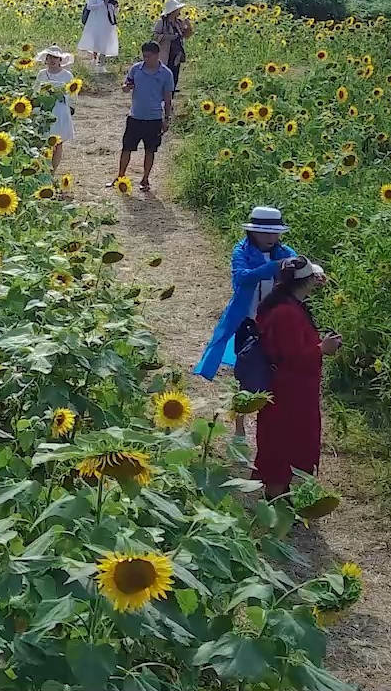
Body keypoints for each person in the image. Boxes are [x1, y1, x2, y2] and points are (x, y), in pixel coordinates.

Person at [193, 206, 304, 435]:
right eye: (265, 232)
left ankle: (273, 424)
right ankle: (240, 427)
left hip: (276, 324)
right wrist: (274, 268)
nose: (271, 237)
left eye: (274, 233)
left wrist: (313, 276)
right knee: (244, 374)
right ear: (253, 233)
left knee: (278, 374)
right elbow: (242, 278)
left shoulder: (286, 252)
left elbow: (301, 276)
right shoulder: (241, 252)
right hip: (248, 321)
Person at [253, 261, 338, 500]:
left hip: (290, 390)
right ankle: (275, 501)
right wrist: (323, 349)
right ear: (306, 281)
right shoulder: (287, 313)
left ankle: (281, 497)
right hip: (290, 393)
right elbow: (292, 357)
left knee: (282, 443)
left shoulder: (284, 304)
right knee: (284, 445)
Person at [116, 41, 175, 190]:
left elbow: (168, 98)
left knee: (150, 150)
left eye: (148, 56)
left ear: (157, 55)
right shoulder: (136, 69)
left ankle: (145, 179)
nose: (146, 59)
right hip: (135, 116)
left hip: (154, 118)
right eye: (144, 56)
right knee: (126, 148)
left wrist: (166, 119)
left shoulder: (166, 74)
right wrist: (126, 87)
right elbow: (125, 87)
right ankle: (120, 177)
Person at [35, 46, 75, 173]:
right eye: (50, 57)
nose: (52, 60)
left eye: (55, 58)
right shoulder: (42, 74)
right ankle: (44, 169)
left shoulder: (67, 75)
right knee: (44, 141)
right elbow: (35, 92)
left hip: (60, 110)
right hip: (45, 110)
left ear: (60, 60)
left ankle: (53, 170)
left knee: (58, 142)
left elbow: (72, 94)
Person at [77, 0, 119, 71]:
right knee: (96, 40)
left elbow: (115, 11)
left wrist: (114, 6)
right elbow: (89, 7)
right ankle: (94, 59)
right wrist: (101, 4)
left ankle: (102, 63)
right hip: (95, 21)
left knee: (105, 41)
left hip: (107, 22)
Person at [153, 0, 193, 89]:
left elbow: (186, 36)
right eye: (178, 9)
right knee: (165, 73)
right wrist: (168, 37)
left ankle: (171, 92)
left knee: (175, 73)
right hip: (165, 53)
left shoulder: (179, 23)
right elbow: (154, 36)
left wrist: (188, 27)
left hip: (177, 53)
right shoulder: (162, 22)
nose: (180, 11)